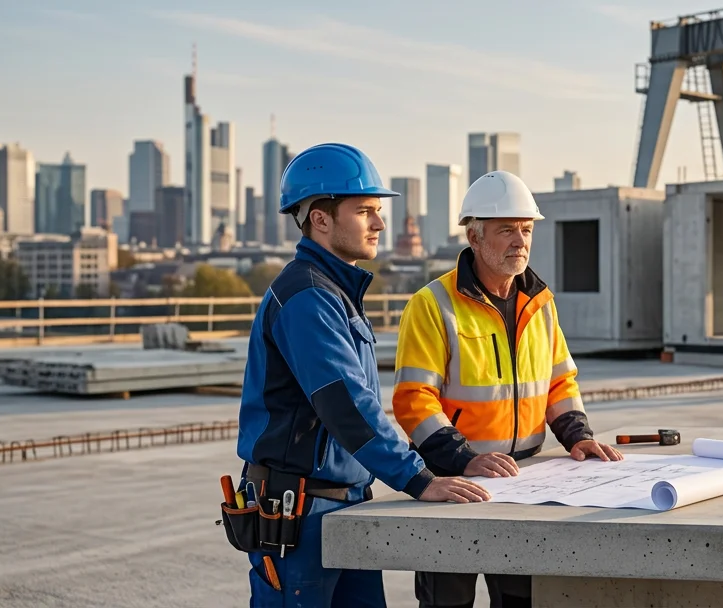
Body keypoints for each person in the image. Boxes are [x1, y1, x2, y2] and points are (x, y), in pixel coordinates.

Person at [235, 143, 491, 606]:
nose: (379, 223)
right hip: (302, 511)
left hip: (343, 501)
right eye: (365, 210)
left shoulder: (334, 291)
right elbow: (348, 405)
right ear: (321, 218)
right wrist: (418, 478)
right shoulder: (307, 298)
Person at [392, 170, 625, 608]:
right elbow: (413, 400)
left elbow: (559, 381)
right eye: (506, 230)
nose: (520, 240)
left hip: (527, 483)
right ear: (475, 237)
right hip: (455, 485)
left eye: (526, 229)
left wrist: (580, 437)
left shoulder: (541, 302)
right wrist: (465, 459)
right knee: (449, 602)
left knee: (522, 599)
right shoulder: (432, 305)